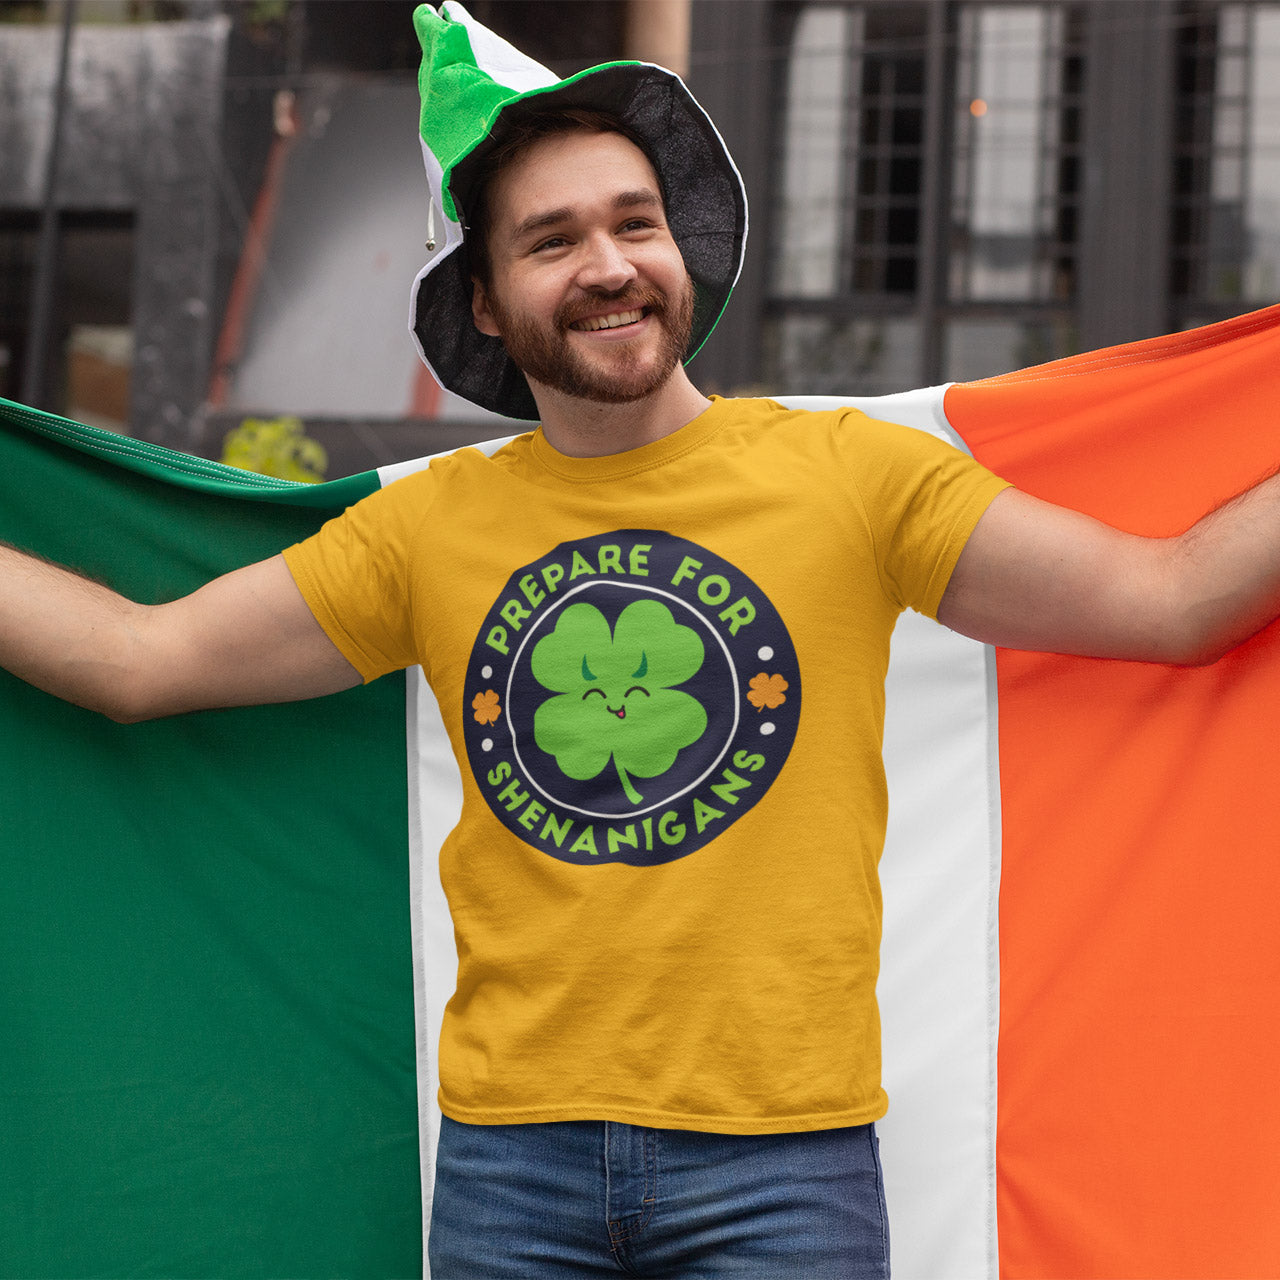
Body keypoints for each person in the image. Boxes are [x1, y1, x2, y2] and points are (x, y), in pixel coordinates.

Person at [3, 5, 1280, 1277]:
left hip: (784, 1162)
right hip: (513, 1171)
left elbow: (1169, 600)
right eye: (551, 240)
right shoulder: (428, 529)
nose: (608, 264)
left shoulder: (853, 478)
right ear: (489, 304)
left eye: (633, 222)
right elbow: (136, 659)